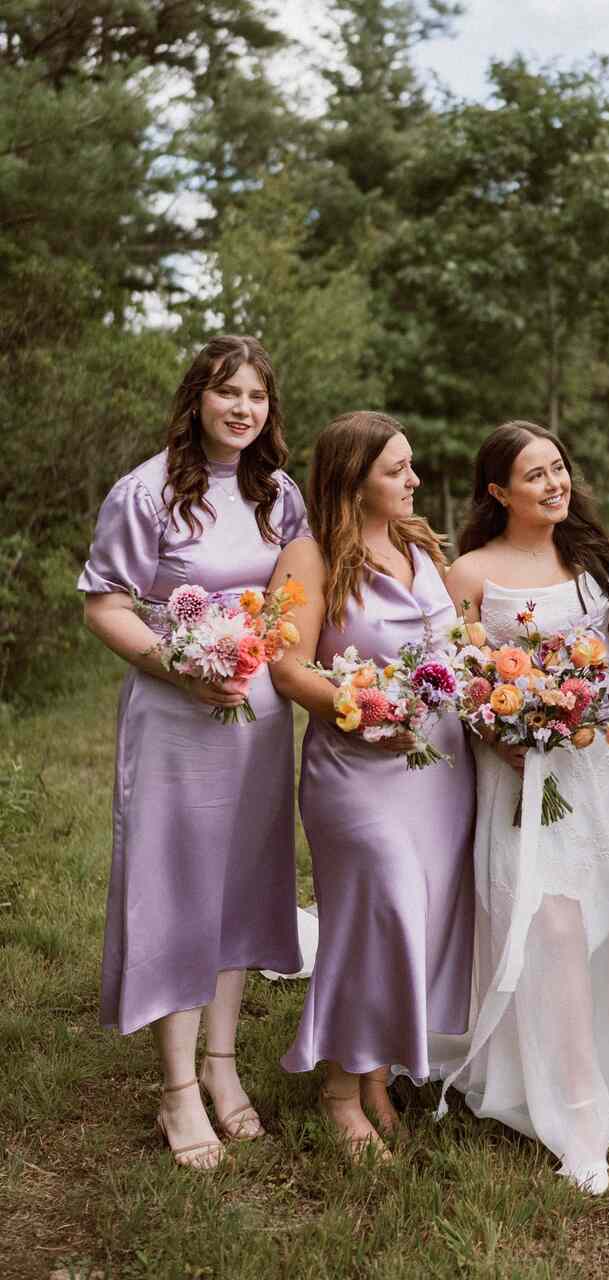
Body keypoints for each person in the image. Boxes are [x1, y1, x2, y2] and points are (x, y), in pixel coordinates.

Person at [438, 421, 609, 1196]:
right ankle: (576, 1115)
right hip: (519, 778)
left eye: (558, 467)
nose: (555, 484)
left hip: (597, 770)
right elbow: (458, 678)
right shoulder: (468, 574)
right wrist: (500, 731)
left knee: (605, 918)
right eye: (535, 475)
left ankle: (600, 1068)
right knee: (548, 923)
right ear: (498, 493)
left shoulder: (592, 558)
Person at [78, 335, 308, 1169]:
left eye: (255, 396)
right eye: (226, 394)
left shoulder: (279, 495)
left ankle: (222, 1064)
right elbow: (104, 603)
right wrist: (177, 665)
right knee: (177, 886)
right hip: (176, 716)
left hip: (258, 718)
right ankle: (177, 1088)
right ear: (197, 400)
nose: (242, 409)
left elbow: (294, 600)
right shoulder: (145, 494)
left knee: (241, 883)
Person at [268, 411, 475, 1160]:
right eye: (397, 470)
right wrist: (356, 707)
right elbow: (286, 667)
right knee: (376, 908)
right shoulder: (309, 554)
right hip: (356, 767)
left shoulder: (418, 543)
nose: (413, 480)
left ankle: (376, 1075)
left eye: (410, 466)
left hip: (438, 768)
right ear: (353, 478)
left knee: (411, 920)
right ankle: (336, 1089)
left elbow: (460, 645)